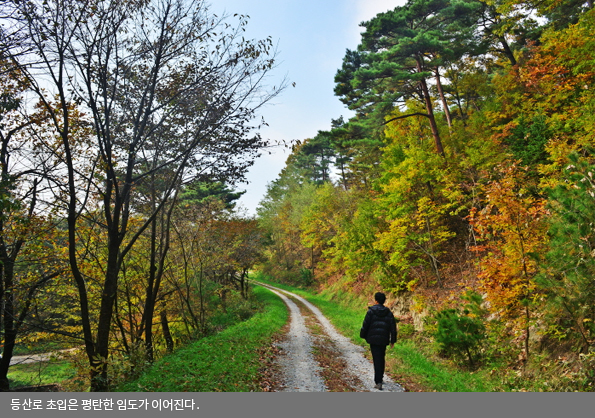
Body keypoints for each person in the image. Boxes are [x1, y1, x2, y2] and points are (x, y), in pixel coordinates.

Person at [360, 292, 397, 390]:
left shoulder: (371, 311)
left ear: (376, 300)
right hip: (383, 339)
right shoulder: (388, 312)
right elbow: (393, 327)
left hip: (373, 339)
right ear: (384, 301)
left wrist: (363, 335)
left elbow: (365, 325)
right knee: (381, 357)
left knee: (376, 359)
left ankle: (378, 381)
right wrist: (392, 340)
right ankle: (380, 378)